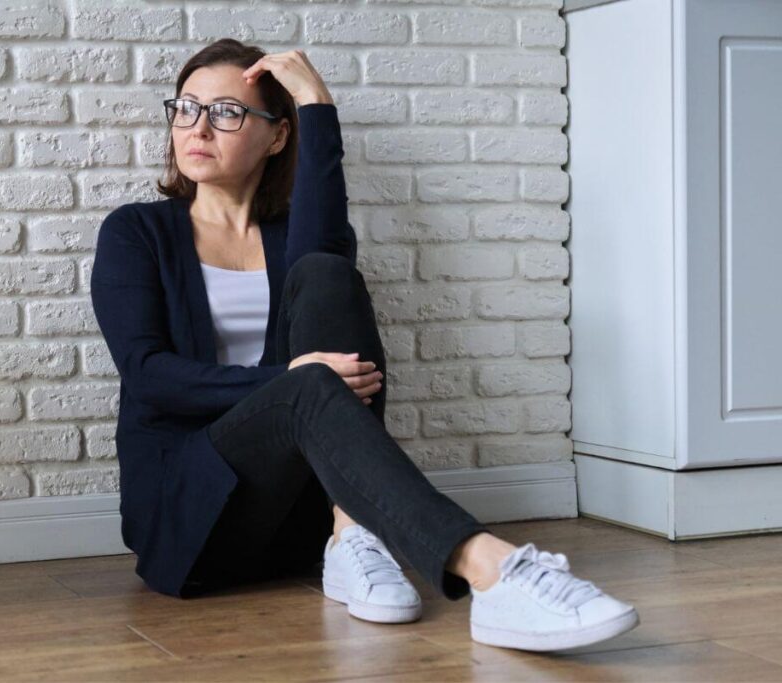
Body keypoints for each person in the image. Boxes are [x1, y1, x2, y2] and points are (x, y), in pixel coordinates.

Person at [90, 38, 640, 653]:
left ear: (277, 136)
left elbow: (323, 257)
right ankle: (492, 568)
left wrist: (317, 104)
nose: (197, 128)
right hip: (191, 522)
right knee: (304, 384)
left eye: (227, 112)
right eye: (186, 108)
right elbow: (150, 377)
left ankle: (352, 534)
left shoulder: (287, 236)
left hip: (296, 523)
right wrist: (292, 379)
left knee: (328, 274)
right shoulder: (136, 232)